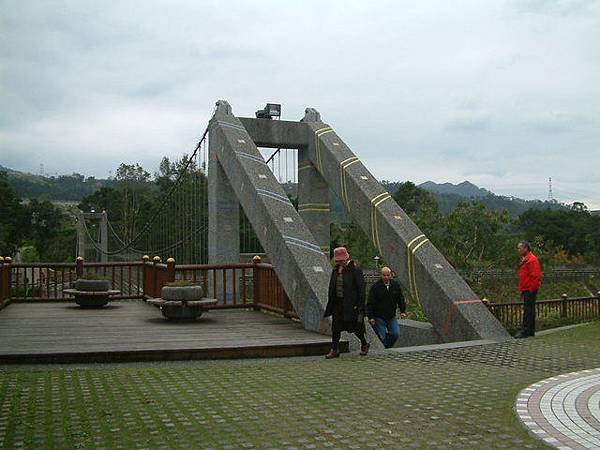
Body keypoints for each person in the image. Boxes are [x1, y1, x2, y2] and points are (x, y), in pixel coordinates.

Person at [324, 247, 369, 358]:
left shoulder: (355, 270)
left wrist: (360, 306)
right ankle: (334, 349)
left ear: (346, 258)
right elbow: (332, 287)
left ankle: (364, 343)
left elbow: (361, 288)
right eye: (337, 260)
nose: (339, 262)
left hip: (351, 304)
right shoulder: (335, 270)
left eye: (341, 260)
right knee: (336, 327)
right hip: (338, 304)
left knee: (355, 327)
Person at [367, 267, 407, 348]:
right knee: (382, 337)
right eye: (384, 275)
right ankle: (386, 351)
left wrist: (403, 311)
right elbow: (370, 303)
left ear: (391, 275)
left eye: (388, 275)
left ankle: (386, 349)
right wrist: (370, 317)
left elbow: (400, 299)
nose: (386, 277)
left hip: (391, 316)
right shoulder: (375, 287)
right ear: (380, 275)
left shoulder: (395, 285)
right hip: (379, 316)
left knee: (396, 334)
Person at [515, 241, 542, 338]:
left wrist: (531, 289)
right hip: (526, 288)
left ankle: (525, 331)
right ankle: (530, 330)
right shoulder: (526, 259)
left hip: (530, 288)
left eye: (519, 248)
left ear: (525, 248)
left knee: (528, 310)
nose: (518, 250)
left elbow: (535, 276)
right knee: (529, 309)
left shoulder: (531, 260)